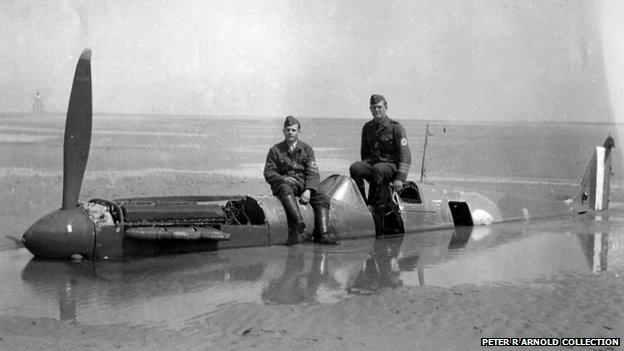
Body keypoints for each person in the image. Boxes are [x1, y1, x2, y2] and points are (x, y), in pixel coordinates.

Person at [264, 116, 340, 245]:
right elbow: (268, 172)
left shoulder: (307, 149)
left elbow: (313, 173)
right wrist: (283, 178)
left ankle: (323, 234)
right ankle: (299, 223)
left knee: (322, 197)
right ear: (283, 131)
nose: (290, 133)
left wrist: (309, 190)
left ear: (298, 131)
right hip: (284, 185)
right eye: (288, 130)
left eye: (293, 130)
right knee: (285, 188)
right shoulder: (275, 150)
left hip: (302, 184)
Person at [349, 94, 412, 212]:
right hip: (375, 166)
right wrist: (367, 171)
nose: (376, 110)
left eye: (379, 107)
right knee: (355, 168)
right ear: (370, 109)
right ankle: (361, 202)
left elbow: (405, 155)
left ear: (386, 107)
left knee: (378, 169)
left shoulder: (396, 127)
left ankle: (372, 205)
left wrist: (400, 178)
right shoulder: (367, 127)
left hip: (391, 166)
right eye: (374, 107)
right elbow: (365, 153)